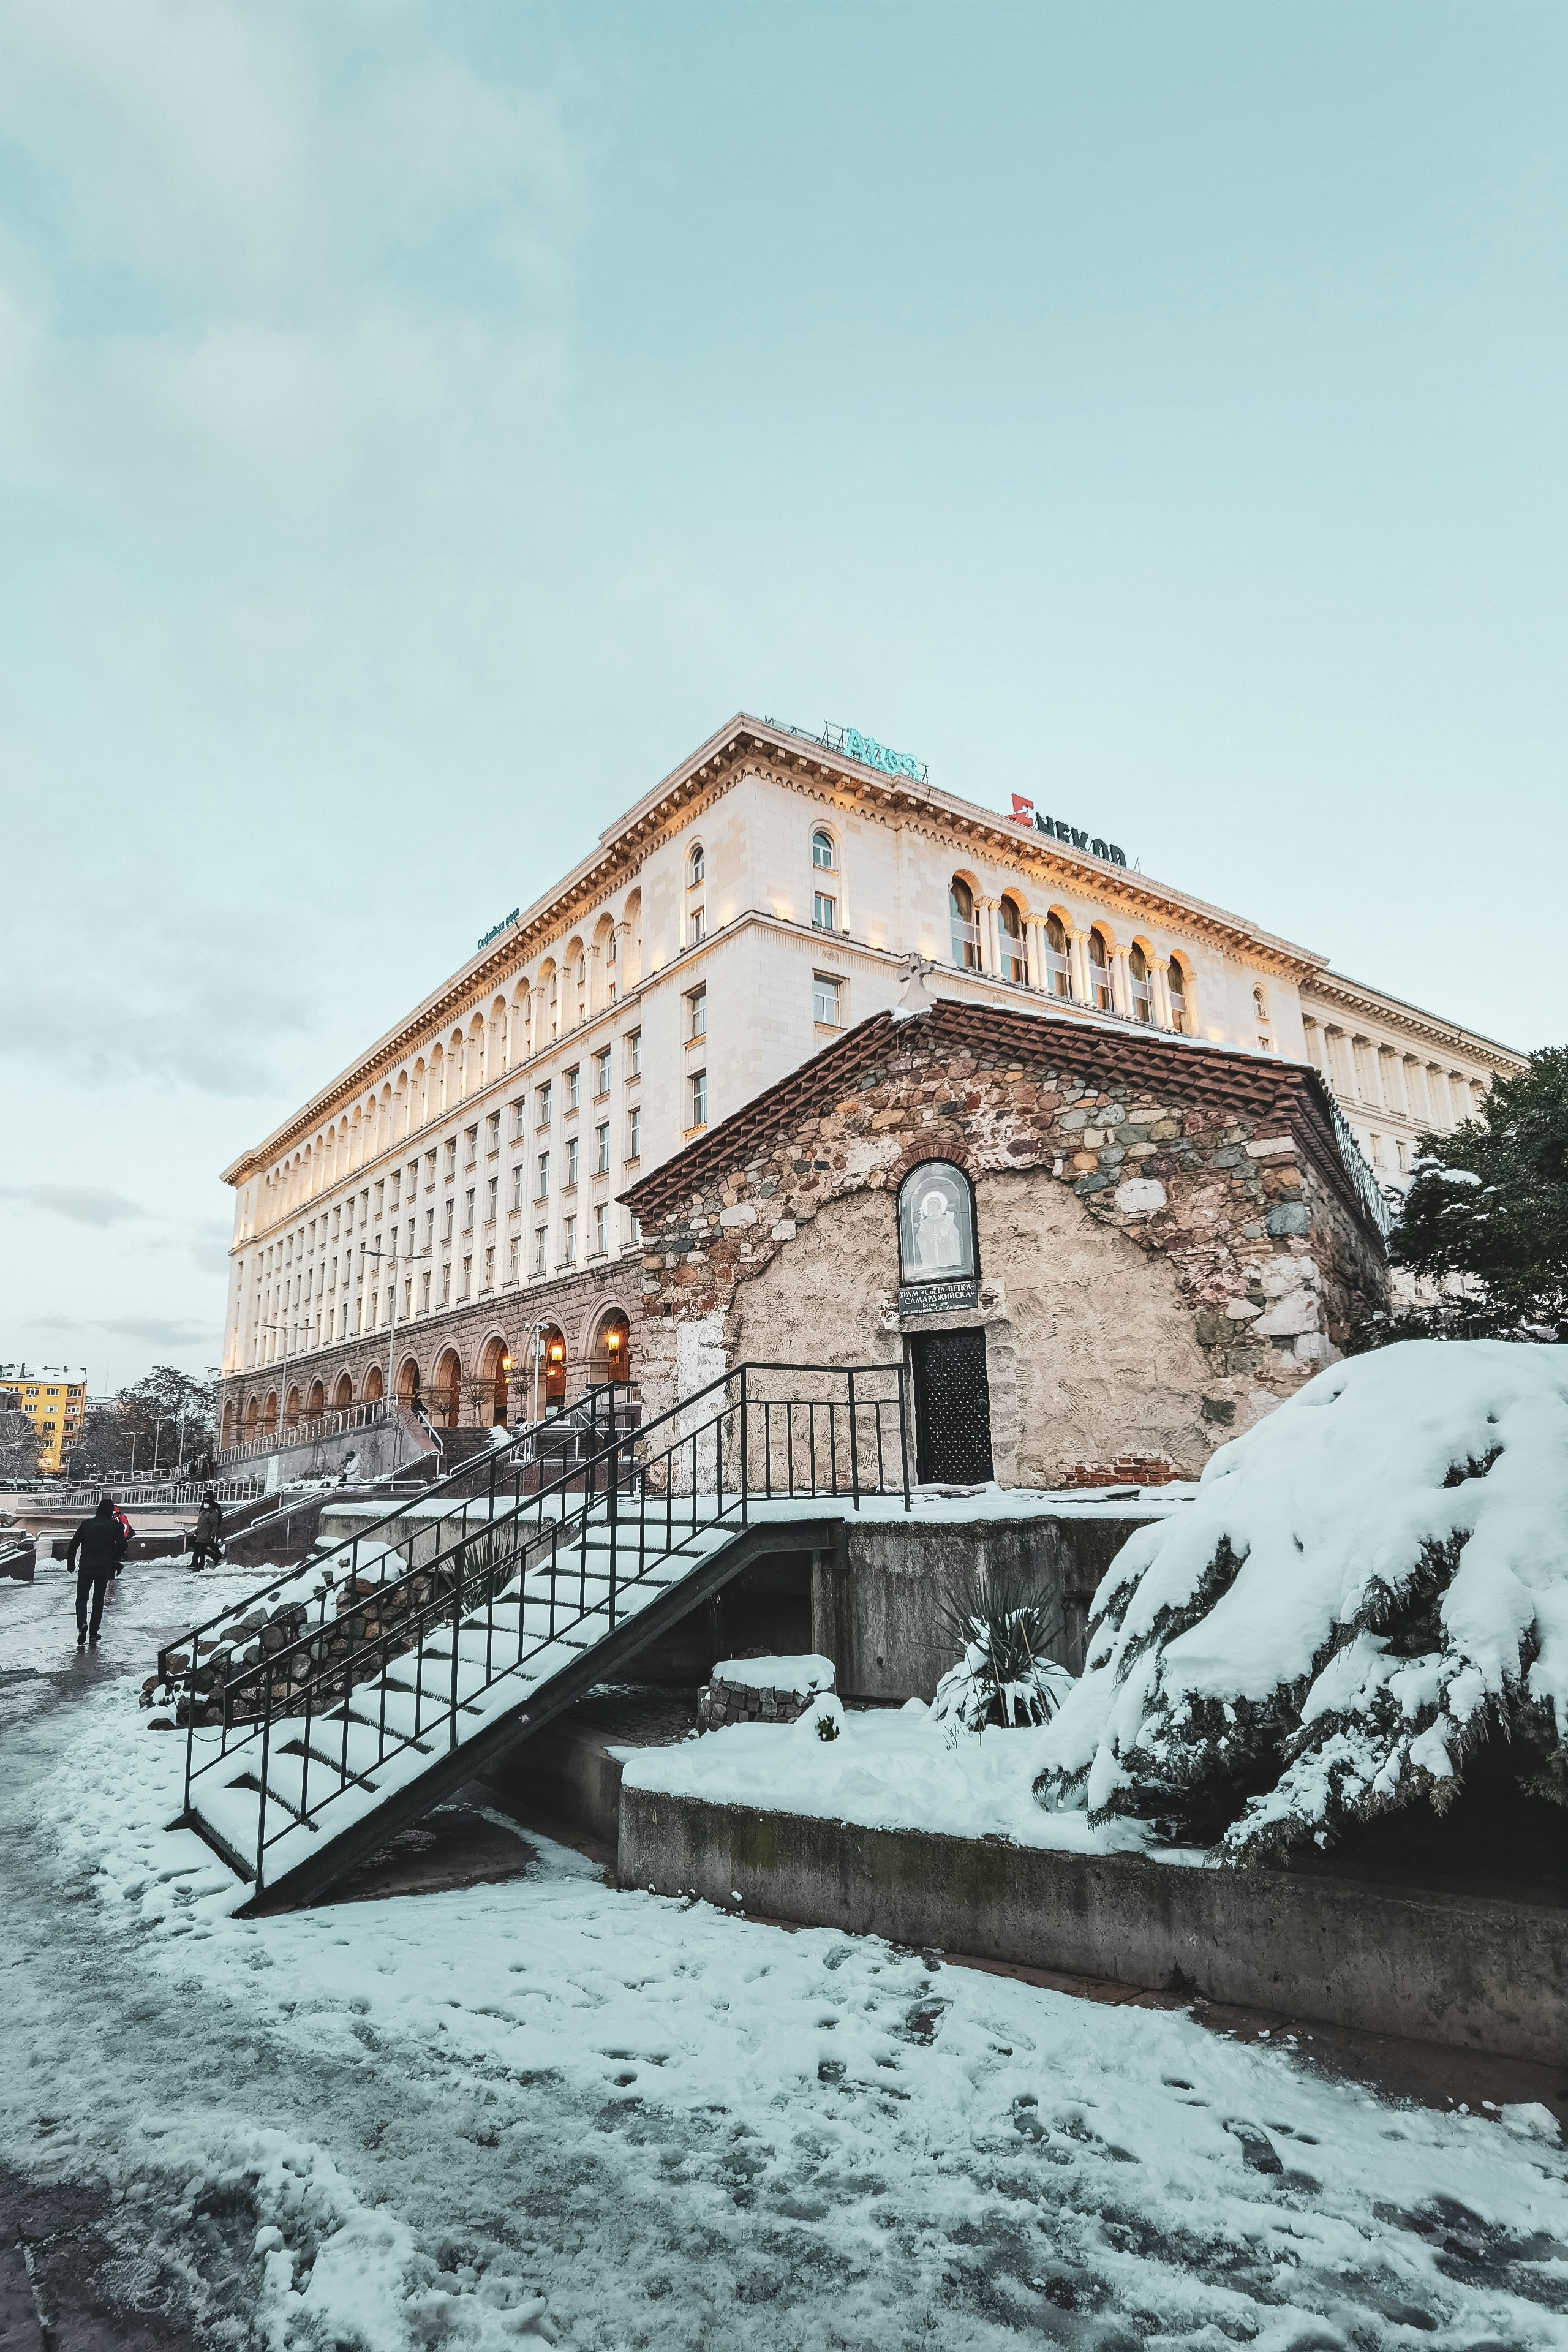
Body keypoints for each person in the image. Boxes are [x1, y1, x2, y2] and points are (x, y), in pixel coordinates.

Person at [66, 1497, 129, 1646]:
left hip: (86, 1566)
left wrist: (71, 1564)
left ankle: (82, 1624)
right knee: (98, 1600)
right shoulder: (115, 1526)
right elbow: (122, 1545)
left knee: (81, 1599)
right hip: (104, 1567)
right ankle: (94, 1633)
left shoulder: (87, 1524)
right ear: (110, 1511)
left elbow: (73, 1544)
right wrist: (114, 1558)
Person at [189, 1489, 224, 1570]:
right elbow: (200, 1522)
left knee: (203, 1548)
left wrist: (213, 1533)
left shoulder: (214, 1509)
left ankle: (213, 1558)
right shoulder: (203, 1509)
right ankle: (215, 1557)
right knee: (199, 1548)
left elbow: (216, 1521)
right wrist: (196, 1533)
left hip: (208, 1532)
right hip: (201, 1532)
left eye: (207, 1497)